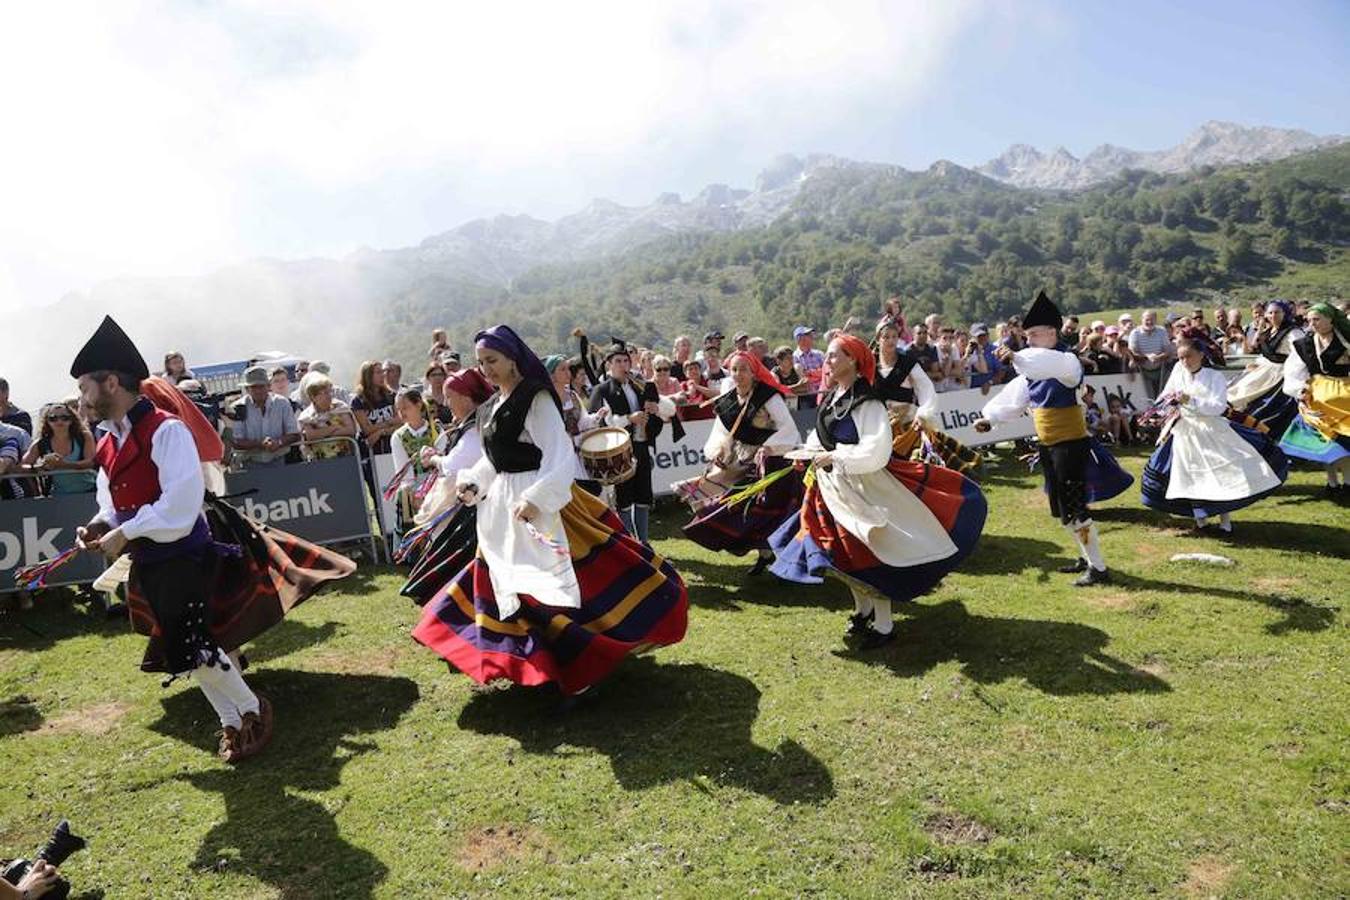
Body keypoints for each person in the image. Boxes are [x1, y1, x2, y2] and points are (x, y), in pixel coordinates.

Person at [69, 316, 354, 762]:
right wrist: (101, 524)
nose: (83, 399)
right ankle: (233, 719)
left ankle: (248, 709)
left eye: (86, 387)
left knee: (197, 645)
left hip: (184, 554)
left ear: (110, 383)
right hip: (153, 558)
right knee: (190, 649)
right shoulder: (108, 441)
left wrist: (125, 532)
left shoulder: (165, 430)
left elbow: (180, 509)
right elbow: (112, 502)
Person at [411, 325, 688, 700]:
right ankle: (538, 664)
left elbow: (558, 455)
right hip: (501, 511)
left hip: (544, 505)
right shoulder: (491, 407)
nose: (487, 368)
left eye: (492, 360)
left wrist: (536, 500)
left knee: (558, 587)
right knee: (511, 586)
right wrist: (473, 482)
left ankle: (581, 664)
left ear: (512, 358)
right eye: (481, 363)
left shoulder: (536, 399)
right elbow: (494, 461)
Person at [768, 334, 986, 648]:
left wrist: (836, 457)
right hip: (832, 488)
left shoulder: (867, 402)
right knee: (843, 556)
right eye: (828, 356)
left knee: (870, 555)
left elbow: (876, 451)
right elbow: (821, 436)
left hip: (864, 488)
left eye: (833, 356)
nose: (827, 362)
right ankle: (862, 610)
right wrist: (808, 453)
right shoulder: (833, 396)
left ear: (853, 360)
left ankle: (883, 626)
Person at [977, 292, 1113, 586]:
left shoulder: (1067, 362)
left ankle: (1099, 568)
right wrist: (991, 418)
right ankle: (1086, 558)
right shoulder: (1032, 370)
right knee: (1064, 508)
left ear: (1053, 333)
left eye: (1034, 334)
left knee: (1076, 507)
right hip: (1049, 445)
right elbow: (1014, 398)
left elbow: (1041, 363)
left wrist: (1015, 356)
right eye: (1026, 337)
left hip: (1070, 445)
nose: (1029, 341)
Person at [1142, 336, 1287, 532]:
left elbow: (1218, 407)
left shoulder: (1214, 377)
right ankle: (1201, 521)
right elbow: (1167, 394)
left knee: (1219, 474)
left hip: (1211, 430)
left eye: (1188, 357)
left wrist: (1189, 400)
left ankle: (1225, 522)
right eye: (1181, 357)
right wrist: (1157, 412)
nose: (1184, 361)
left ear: (1201, 355)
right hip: (1184, 431)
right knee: (1190, 475)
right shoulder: (1178, 370)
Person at [680, 351, 802, 574]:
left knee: (766, 513)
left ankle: (780, 558)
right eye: (735, 369)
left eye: (744, 369)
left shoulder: (768, 396)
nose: (738, 374)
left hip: (771, 463)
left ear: (754, 372)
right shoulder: (728, 398)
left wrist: (769, 446)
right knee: (736, 510)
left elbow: (788, 429)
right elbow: (721, 431)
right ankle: (765, 555)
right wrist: (717, 451)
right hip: (740, 460)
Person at [399, 367, 493, 603]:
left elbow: (454, 465)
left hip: (474, 509)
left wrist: (433, 459)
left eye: (450, 397)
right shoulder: (476, 422)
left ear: (466, 397)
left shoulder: (475, 429)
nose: (447, 403)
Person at [588, 340, 678, 543]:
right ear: (609, 364)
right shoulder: (601, 390)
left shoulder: (639, 386)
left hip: (641, 446)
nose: (623, 365)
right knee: (624, 497)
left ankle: (644, 541)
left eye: (626, 361)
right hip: (618, 452)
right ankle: (630, 543)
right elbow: (599, 422)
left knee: (644, 494)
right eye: (618, 361)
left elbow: (667, 409)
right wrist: (629, 419)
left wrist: (654, 412)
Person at [873, 317, 981, 478]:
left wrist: (923, 414)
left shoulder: (907, 363)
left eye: (894, 336)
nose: (890, 340)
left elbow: (926, 389)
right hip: (880, 421)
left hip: (907, 420)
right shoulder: (871, 364)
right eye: (886, 337)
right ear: (878, 339)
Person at [1279, 302, 1350, 495]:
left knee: (1343, 440)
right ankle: (1332, 481)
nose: (1312, 324)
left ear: (1331, 319)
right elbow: (1293, 371)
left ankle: (1348, 481)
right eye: (1309, 320)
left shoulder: (1345, 341)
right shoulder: (1305, 344)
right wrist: (1299, 390)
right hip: (1317, 397)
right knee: (1325, 441)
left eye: (1317, 319)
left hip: (1344, 398)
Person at [1228, 300, 1305, 438]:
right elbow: (1266, 353)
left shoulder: (1293, 332)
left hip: (1281, 372)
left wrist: (1293, 373)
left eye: (1277, 312)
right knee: (1238, 390)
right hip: (1266, 368)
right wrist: (1257, 363)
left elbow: (1301, 355)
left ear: (1285, 314)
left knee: (1260, 400)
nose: (1273, 315)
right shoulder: (1270, 331)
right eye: (1270, 312)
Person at [388, 387, 446, 539]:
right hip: (413, 489)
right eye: (399, 409)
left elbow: (443, 460)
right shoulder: (398, 436)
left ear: (419, 404)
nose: (402, 413)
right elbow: (403, 472)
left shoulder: (436, 429)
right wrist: (416, 493)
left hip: (438, 483)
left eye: (406, 408)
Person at [229, 366, 300, 468]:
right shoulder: (237, 407)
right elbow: (235, 441)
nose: (258, 390)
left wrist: (279, 442)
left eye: (261, 386)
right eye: (254, 387)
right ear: (247, 389)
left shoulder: (282, 403)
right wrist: (260, 444)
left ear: (268, 386)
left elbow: (294, 434)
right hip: (248, 464)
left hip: (280, 461)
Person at [351, 360, 400, 503]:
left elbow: (399, 420)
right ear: (368, 376)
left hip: (391, 447)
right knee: (379, 493)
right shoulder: (358, 401)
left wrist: (381, 431)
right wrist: (388, 424)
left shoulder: (390, 395)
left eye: (383, 371)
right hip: (372, 452)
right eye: (378, 372)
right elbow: (366, 428)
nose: (383, 375)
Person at [22, 401, 97, 494]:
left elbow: (90, 463)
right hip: (56, 497)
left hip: (88, 491)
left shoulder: (84, 437)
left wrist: (64, 465)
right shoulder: (41, 443)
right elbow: (22, 466)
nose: (59, 421)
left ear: (72, 419)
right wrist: (40, 468)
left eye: (65, 418)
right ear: (47, 421)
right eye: (53, 418)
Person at [297, 373, 358, 460]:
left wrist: (322, 434)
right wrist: (335, 427)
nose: (329, 395)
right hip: (320, 461)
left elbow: (350, 430)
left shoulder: (340, 407)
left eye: (330, 391)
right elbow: (311, 436)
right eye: (325, 393)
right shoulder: (307, 415)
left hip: (346, 458)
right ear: (313, 397)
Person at [1128, 310, 1174, 398]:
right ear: (1142, 320)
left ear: (1156, 320)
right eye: (1147, 319)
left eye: (1152, 319)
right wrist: (1147, 357)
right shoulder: (1135, 333)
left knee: (1164, 397)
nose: (1149, 322)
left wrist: (1157, 357)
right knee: (1149, 398)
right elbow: (1133, 352)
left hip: (1161, 370)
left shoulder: (1162, 331)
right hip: (1142, 371)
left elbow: (1168, 351)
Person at [792, 326, 824, 409]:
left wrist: (809, 373)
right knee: (807, 420)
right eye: (808, 335)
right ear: (800, 339)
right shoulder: (794, 357)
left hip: (823, 393)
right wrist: (817, 373)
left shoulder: (819, 354)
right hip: (805, 396)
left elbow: (826, 372)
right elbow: (803, 379)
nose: (812, 337)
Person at [967, 324, 1002, 391]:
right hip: (970, 390)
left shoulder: (995, 350)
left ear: (988, 335)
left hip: (992, 388)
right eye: (979, 336)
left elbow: (1000, 372)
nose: (982, 338)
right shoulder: (966, 350)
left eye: (984, 335)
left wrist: (990, 383)